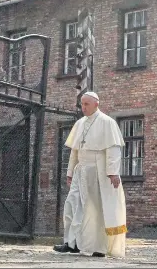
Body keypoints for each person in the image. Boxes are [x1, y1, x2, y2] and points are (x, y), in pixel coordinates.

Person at [53, 91, 127, 258]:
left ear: (96, 104)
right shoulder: (80, 123)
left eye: (86, 104)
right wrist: (70, 172)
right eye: (82, 104)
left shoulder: (107, 122)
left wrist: (113, 172)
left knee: (94, 209)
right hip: (81, 171)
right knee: (72, 204)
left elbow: (113, 149)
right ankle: (71, 243)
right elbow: (74, 150)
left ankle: (97, 247)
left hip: (97, 170)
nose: (83, 107)